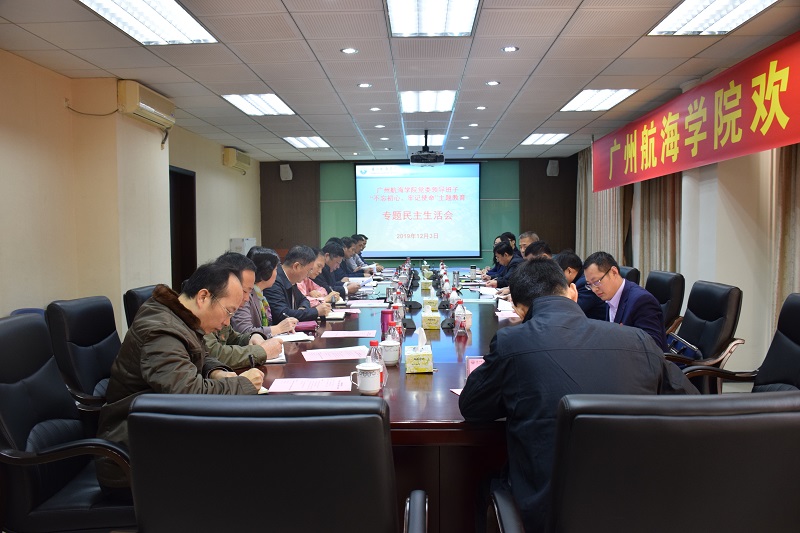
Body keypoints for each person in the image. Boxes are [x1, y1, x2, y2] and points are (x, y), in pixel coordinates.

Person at [459, 259, 698, 533]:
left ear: (518, 308)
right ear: (573, 291)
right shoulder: (638, 341)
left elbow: (472, 407)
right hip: (639, 508)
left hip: (548, 515)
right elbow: (692, 406)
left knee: (482, 484)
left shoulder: (512, 343)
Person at [96, 262, 265, 491]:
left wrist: (216, 372)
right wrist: (242, 384)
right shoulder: (161, 331)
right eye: (228, 311)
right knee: (248, 460)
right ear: (203, 297)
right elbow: (188, 394)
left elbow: (201, 355)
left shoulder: (181, 320)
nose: (227, 322)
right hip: (133, 457)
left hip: (159, 434)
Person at [204, 252, 284, 368]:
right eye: (244, 291)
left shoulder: (222, 309)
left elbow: (233, 338)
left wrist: (252, 337)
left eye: (250, 292)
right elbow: (214, 354)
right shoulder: (204, 311)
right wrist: (261, 351)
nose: (247, 298)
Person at [583, 251, 667, 350]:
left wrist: (622, 336)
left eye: (597, 282)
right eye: (590, 284)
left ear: (614, 272)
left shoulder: (642, 300)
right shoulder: (609, 296)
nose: (594, 289)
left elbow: (653, 345)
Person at [231, 246, 298, 338]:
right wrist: (278, 329)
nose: (277, 274)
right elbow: (245, 331)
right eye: (275, 269)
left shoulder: (261, 295)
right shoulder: (245, 295)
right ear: (266, 272)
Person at [265, 245, 331, 321]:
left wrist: (302, 310)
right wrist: (316, 312)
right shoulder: (274, 281)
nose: (308, 274)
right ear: (296, 266)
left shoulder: (291, 280)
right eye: (309, 270)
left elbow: (304, 300)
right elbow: (282, 314)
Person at [553, 249, 605, 320]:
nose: (556, 278)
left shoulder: (584, 283)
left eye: (558, 274)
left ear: (569, 271)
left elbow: (571, 310)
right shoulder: (579, 280)